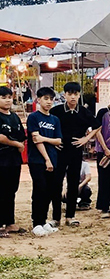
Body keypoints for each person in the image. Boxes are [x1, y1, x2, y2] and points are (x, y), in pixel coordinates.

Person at [51, 81, 98, 227]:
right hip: (59, 151)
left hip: (76, 152)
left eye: (76, 94)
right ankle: (56, 217)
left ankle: (70, 216)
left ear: (79, 95)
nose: (73, 97)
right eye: (70, 94)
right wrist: (53, 142)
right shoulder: (56, 111)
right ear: (64, 95)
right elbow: (47, 127)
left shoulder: (84, 112)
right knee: (56, 183)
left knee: (73, 183)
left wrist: (86, 138)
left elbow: (97, 125)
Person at [27, 87, 63, 236]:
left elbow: (58, 140)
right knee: (39, 190)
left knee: (50, 191)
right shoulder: (33, 117)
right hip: (38, 160)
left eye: (51, 99)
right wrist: (46, 159)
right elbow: (36, 140)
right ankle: (36, 223)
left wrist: (45, 139)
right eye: (45, 99)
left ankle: (43, 221)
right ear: (39, 100)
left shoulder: (55, 119)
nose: (48, 102)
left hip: (53, 160)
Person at [0, 86, 27, 236]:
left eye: (9, 97)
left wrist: (19, 143)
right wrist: (16, 144)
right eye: (3, 97)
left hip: (14, 161)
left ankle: (10, 222)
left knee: (11, 191)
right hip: (1, 159)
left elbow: (21, 135)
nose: (7, 100)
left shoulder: (15, 116)